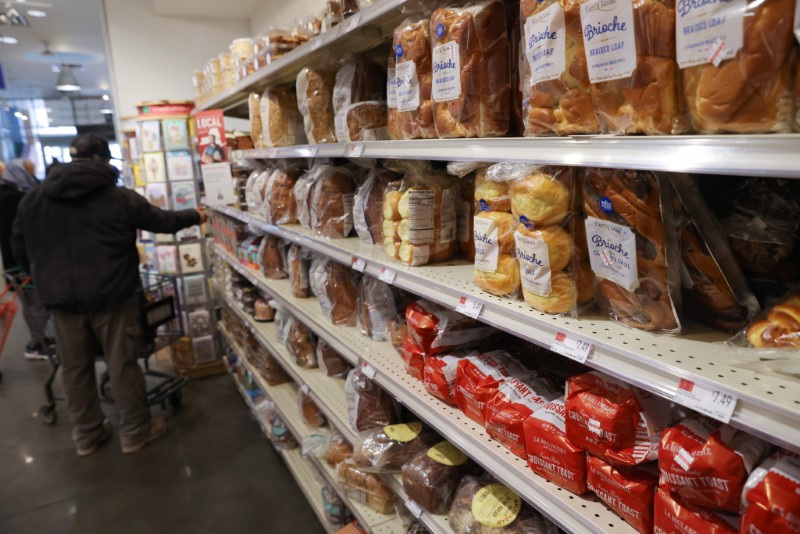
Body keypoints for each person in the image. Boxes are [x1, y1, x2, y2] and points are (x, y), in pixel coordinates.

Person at [12, 134, 206, 456]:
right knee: (122, 364)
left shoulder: (35, 198)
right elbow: (163, 222)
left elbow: (18, 243)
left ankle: (87, 435)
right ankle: (135, 432)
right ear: (104, 161)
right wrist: (195, 216)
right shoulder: (118, 198)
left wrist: (40, 275)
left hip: (60, 301)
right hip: (112, 297)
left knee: (74, 367)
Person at [0, 159, 53, 359]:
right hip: (23, 261)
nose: (32, 176)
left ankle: (39, 342)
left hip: (15, 260)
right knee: (35, 303)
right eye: (29, 172)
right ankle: (38, 344)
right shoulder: (15, 198)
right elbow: (18, 234)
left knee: (31, 303)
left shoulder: (10, 195)